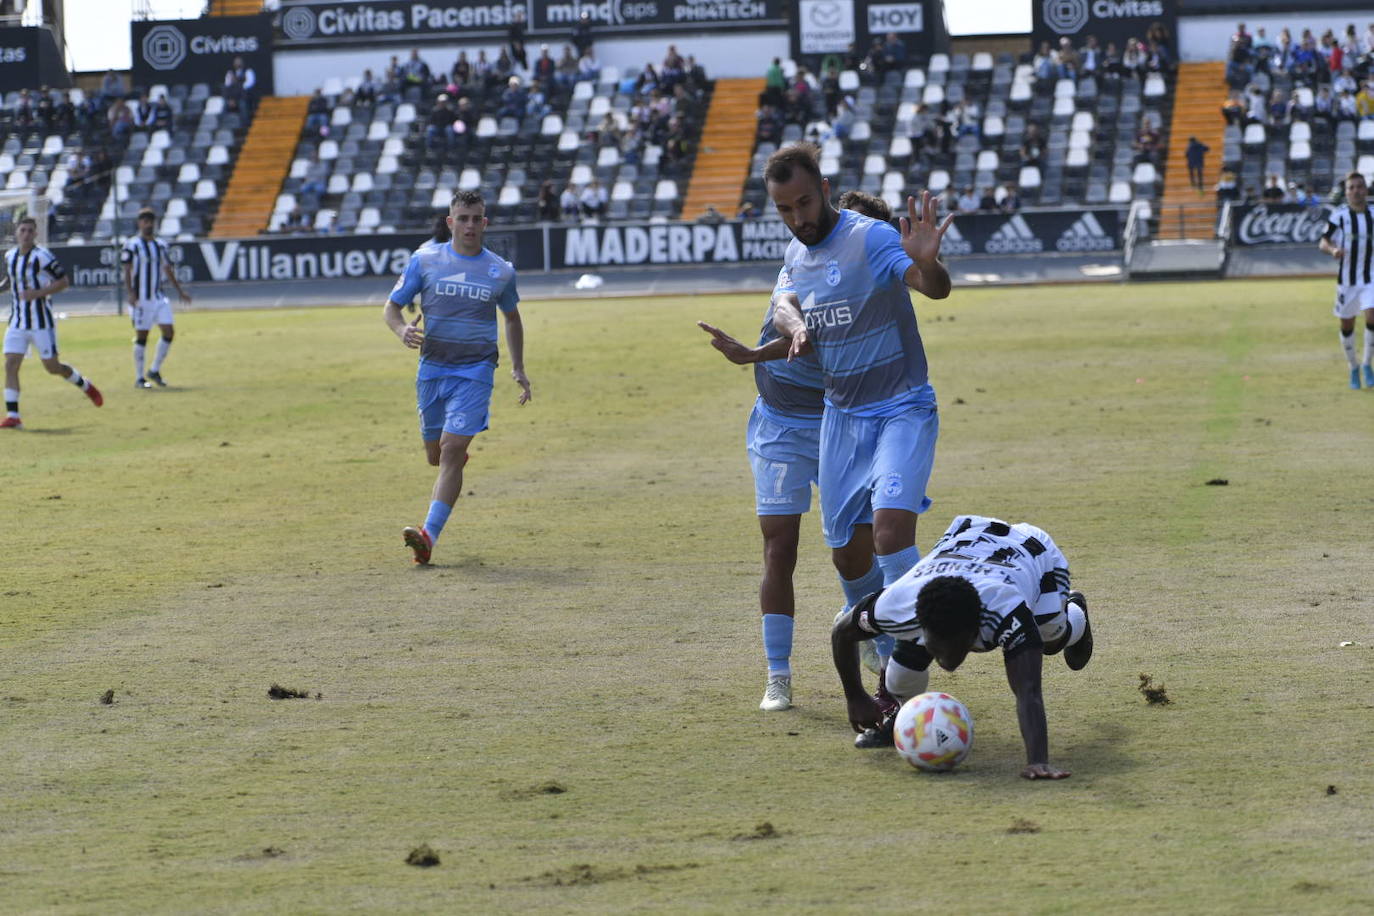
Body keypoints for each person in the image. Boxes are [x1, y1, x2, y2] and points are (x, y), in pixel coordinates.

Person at [697, 191, 893, 712]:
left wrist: (754, 353)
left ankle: (874, 634)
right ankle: (777, 675)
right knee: (779, 547)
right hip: (780, 424)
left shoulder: (877, 288)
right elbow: (788, 310)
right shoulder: (805, 259)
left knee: (855, 550)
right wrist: (779, 339)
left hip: (841, 423)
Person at [767, 142, 952, 685]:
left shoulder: (869, 236)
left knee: (891, 533)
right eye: (784, 209)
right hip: (842, 418)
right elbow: (784, 302)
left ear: (824, 190)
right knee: (848, 556)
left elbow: (933, 289)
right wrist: (794, 325)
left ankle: (915, 659)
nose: (797, 218)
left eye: (804, 203)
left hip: (902, 407)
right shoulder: (795, 255)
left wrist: (926, 261)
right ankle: (887, 644)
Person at [831, 514, 1093, 779]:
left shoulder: (1005, 610)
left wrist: (1038, 760)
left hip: (1031, 551)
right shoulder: (898, 603)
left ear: (975, 628)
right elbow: (842, 632)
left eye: (953, 648)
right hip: (965, 539)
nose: (945, 661)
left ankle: (1076, 615)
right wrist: (855, 696)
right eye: (937, 647)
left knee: (1051, 639)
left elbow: (1028, 691)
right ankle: (903, 722)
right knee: (900, 675)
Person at [383, 190, 530, 565]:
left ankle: (427, 536)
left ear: (485, 223)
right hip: (432, 369)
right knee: (436, 456)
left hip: (476, 370)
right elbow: (392, 306)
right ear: (451, 222)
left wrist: (517, 367)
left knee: (450, 451)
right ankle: (453, 457)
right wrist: (401, 331)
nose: (469, 225)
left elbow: (512, 317)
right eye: (462, 218)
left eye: (476, 218)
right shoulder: (425, 260)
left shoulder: (500, 270)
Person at [2, 217, 102, 429]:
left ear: (35, 234)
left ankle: (86, 386)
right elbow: (11, 280)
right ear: (17, 232)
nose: (26, 234)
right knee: (10, 364)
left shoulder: (43, 256)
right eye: (23, 230)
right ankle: (13, 416)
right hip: (17, 322)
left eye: (30, 231)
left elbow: (64, 281)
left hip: (41, 322)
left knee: (52, 367)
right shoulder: (10, 256)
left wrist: (37, 293)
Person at [122, 207, 191, 389]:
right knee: (142, 336)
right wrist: (130, 293)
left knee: (169, 332)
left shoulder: (160, 245)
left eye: (151, 221)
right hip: (141, 299)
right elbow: (127, 270)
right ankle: (139, 377)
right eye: (145, 221)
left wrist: (180, 291)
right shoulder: (132, 245)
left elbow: (167, 269)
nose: (149, 224)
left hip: (158, 297)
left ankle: (154, 370)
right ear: (139, 223)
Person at [1319, 171, 1374, 389]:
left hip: (1371, 278)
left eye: (1359, 186)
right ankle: (1353, 367)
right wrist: (1333, 250)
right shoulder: (1339, 216)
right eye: (1351, 188)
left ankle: (1367, 364)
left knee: (1372, 314)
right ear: (1346, 192)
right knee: (1347, 324)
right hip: (1347, 282)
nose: (1356, 191)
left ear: (1366, 189)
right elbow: (1322, 242)